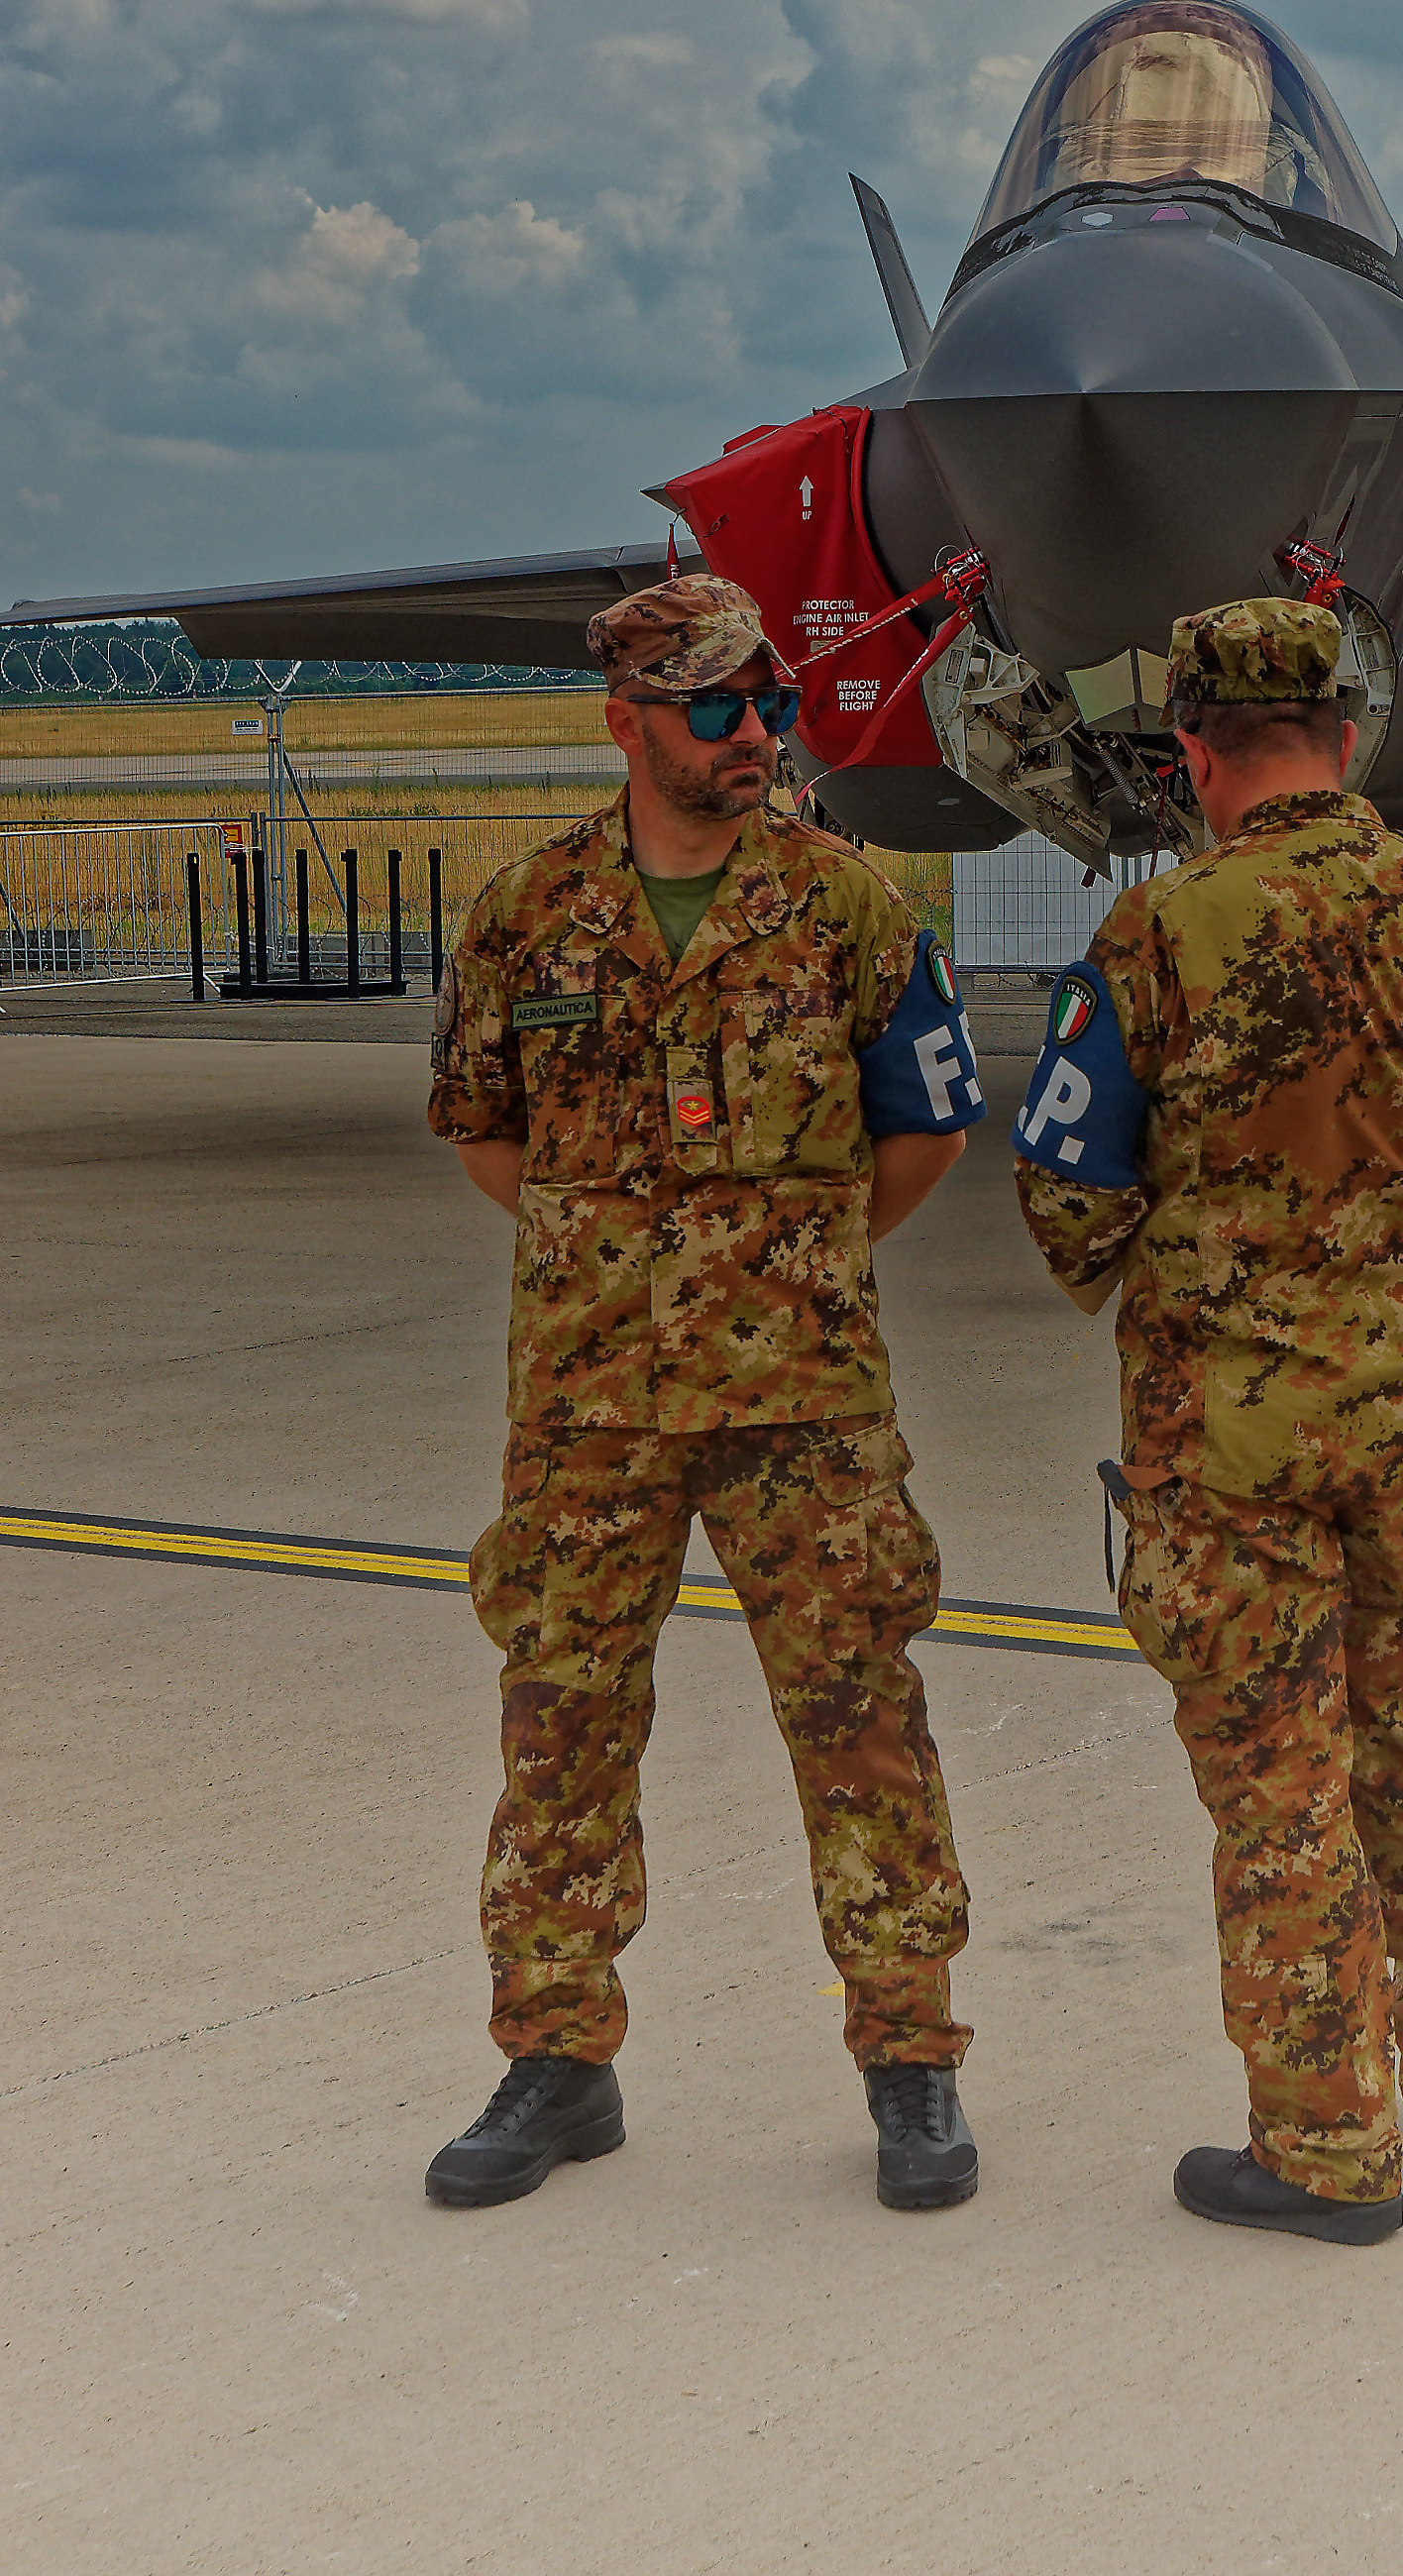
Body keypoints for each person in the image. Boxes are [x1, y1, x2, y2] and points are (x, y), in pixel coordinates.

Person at [1012, 593, 1403, 2245]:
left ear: (1194, 754)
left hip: (1231, 1453)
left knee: (1280, 1785)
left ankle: (1326, 2150)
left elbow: (1067, 1202)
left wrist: (1202, 1277)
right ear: (1348, 737)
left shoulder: (1156, 938)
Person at [424, 571, 987, 2213]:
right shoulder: (526, 913)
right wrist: (623, 1263)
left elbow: (923, 1133)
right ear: (630, 722)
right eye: (721, 707)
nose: (759, 734)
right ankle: (557, 2061)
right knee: (561, 1724)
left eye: (774, 705)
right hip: (588, 1402)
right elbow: (486, 1134)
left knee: (860, 1719)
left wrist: (786, 1265)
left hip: (802, 1401)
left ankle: (912, 2060)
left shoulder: (848, 907)